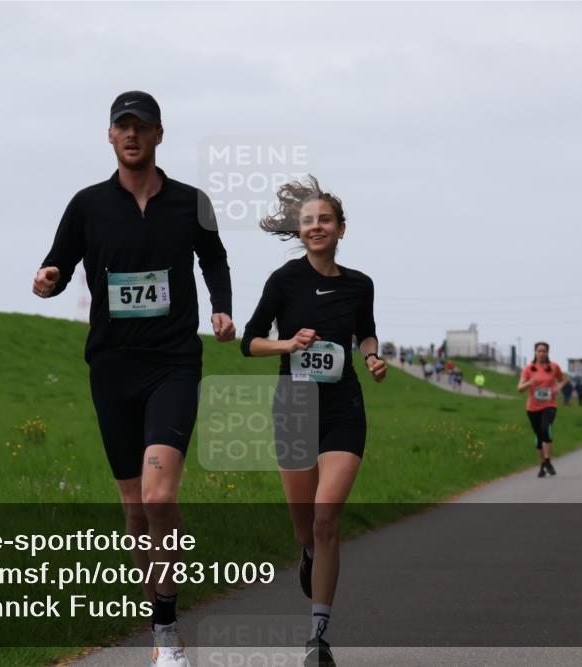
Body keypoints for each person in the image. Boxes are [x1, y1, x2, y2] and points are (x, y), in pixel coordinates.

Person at [33, 91, 235, 667]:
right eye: (122, 126)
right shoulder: (88, 205)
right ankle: (158, 620)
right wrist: (47, 279)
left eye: (142, 126)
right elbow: (58, 261)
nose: (132, 135)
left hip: (173, 362)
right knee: (134, 509)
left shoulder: (192, 202)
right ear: (110, 136)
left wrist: (221, 307)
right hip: (112, 366)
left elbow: (214, 258)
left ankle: (168, 633)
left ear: (159, 135)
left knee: (159, 494)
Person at [241, 175, 385, 667]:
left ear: (341, 229)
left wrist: (371, 358)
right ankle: (306, 555)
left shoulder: (360, 284)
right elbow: (251, 340)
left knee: (327, 517)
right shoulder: (284, 280)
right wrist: (288, 344)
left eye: (325, 219)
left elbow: (365, 334)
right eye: (308, 221)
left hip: (344, 411)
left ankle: (317, 637)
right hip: (295, 409)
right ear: (299, 231)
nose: (316, 226)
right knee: (306, 527)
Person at [517, 342, 568, 478]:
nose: (541, 353)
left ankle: (548, 461)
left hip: (549, 405)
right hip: (532, 407)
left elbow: (563, 380)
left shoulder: (554, 367)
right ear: (535, 352)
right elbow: (520, 388)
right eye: (539, 351)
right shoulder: (529, 369)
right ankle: (543, 463)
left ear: (548, 352)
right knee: (538, 436)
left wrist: (558, 388)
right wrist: (530, 383)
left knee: (546, 429)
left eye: (544, 351)